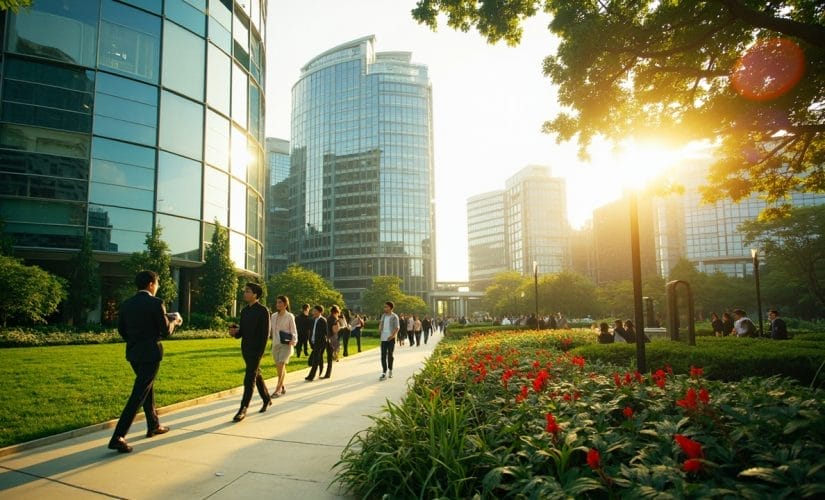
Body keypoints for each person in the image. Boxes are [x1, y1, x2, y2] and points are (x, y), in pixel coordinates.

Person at [108, 270, 182, 453]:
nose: (157, 287)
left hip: (134, 353)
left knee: (147, 388)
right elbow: (165, 331)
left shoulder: (126, 304)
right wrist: (175, 321)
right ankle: (118, 436)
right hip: (151, 354)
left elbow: (122, 331)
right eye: (157, 283)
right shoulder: (156, 303)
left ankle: (153, 424)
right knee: (139, 394)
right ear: (151, 284)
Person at [230, 283, 271, 422]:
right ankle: (266, 398)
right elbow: (241, 333)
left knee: (249, 378)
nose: (245, 293)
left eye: (247, 291)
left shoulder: (263, 311)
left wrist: (260, 353)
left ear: (255, 294)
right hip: (245, 349)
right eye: (245, 291)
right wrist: (235, 333)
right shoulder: (245, 311)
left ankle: (243, 408)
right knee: (256, 374)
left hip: (256, 351)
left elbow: (265, 335)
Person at [269, 295, 297, 398]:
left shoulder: (290, 316)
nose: (278, 304)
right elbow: (270, 330)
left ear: (285, 304)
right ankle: (283, 385)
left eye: (280, 302)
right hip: (275, 344)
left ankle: (278, 389)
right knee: (279, 368)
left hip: (286, 344)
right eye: (277, 302)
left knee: (281, 364)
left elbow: (294, 330)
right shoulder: (273, 316)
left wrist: (293, 340)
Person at [305, 305, 328, 381]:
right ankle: (321, 372)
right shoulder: (312, 320)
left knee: (315, 359)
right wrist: (310, 341)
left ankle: (311, 376)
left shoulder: (323, 320)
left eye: (315, 311)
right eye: (313, 311)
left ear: (319, 311)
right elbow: (311, 331)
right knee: (319, 358)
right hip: (313, 342)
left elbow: (326, 333)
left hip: (320, 343)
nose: (313, 312)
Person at [378, 301, 400, 380]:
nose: (385, 308)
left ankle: (390, 370)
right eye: (385, 307)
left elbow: (397, 327)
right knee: (383, 355)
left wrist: (392, 336)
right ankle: (384, 372)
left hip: (391, 339)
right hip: (383, 338)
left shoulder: (394, 316)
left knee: (390, 355)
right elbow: (381, 323)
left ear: (390, 308)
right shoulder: (383, 316)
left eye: (386, 307)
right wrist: (380, 329)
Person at [324, 305, 344, 376]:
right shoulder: (334, 319)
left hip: (328, 336)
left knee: (331, 351)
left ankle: (334, 356)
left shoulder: (328, 318)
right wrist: (341, 328)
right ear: (336, 311)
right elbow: (335, 330)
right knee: (335, 348)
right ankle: (335, 357)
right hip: (333, 337)